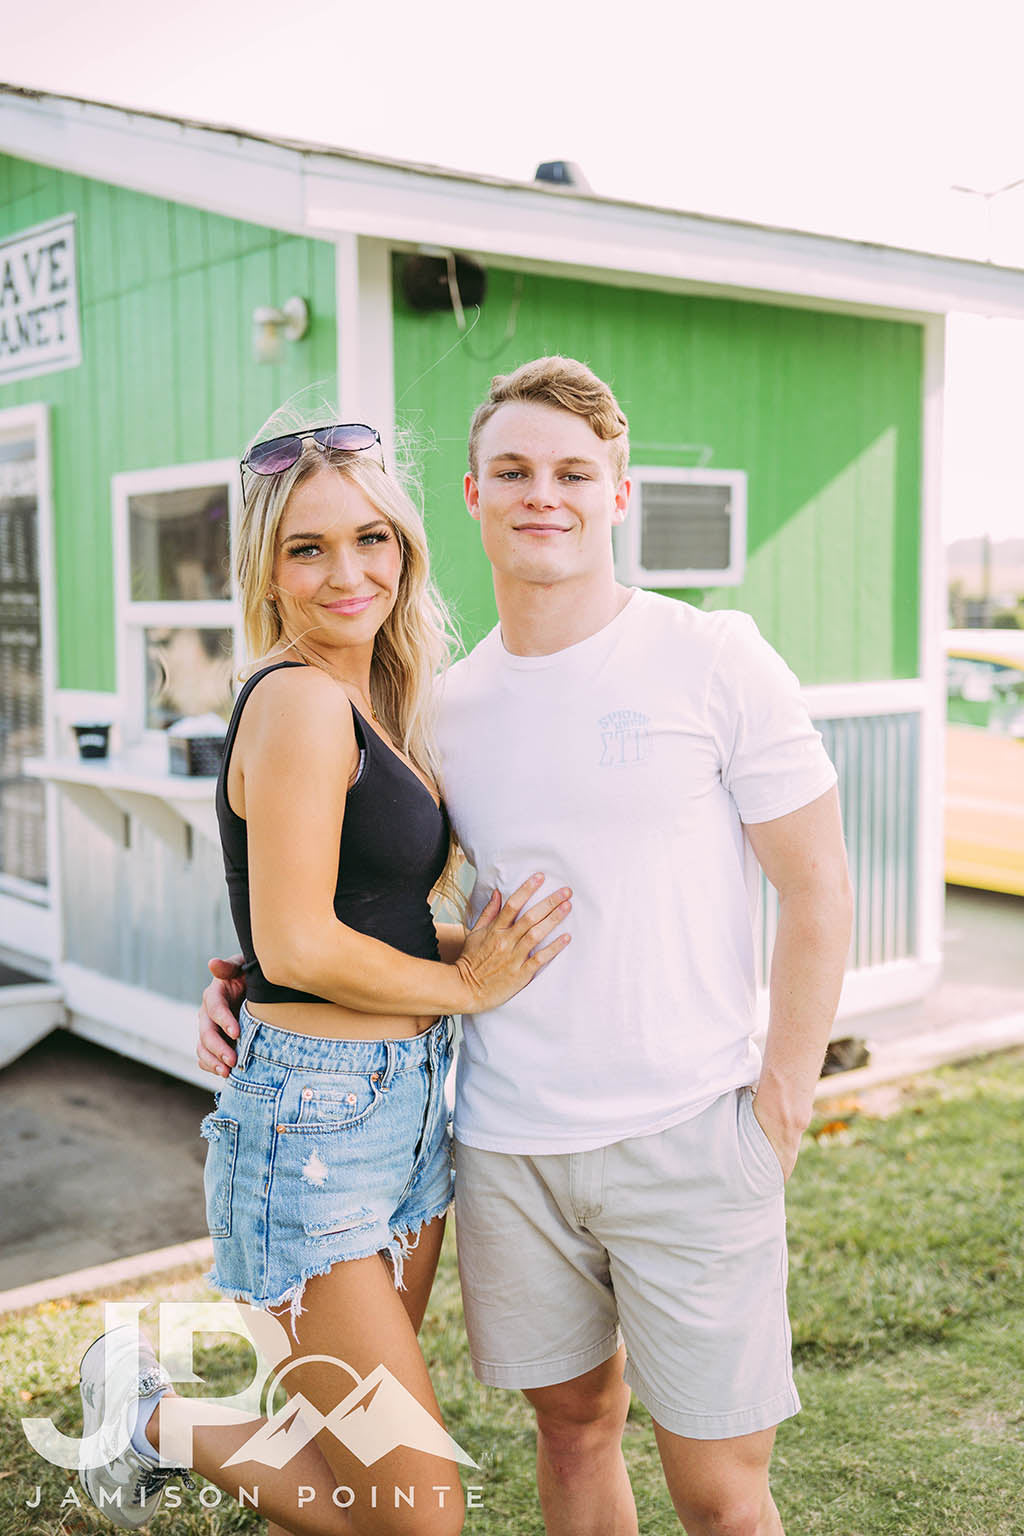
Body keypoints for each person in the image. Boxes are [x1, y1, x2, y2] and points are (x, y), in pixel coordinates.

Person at [198, 359, 855, 1536]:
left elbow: (817, 890)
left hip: (689, 1136)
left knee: (720, 1492)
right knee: (566, 1431)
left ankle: (156, 1417)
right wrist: (263, 974)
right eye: (511, 470)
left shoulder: (712, 658)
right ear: (467, 495)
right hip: (497, 1143)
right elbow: (365, 904)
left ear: (617, 493)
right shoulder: (445, 704)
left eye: (570, 471)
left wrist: (779, 1110)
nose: (538, 493)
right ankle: (160, 1416)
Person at [77, 413, 573, 1536]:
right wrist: (469, 987)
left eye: (370, 539)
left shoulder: (376, 699)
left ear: (404, 544)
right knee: (415, 1516)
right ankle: (152, 1416)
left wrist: (477, 955)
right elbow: (299, 946)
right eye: (307, 548)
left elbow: (346, 917)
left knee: (357, 1481)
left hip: (398, 1113)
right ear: (267, 564)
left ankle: (148, 1419)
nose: (347, 572)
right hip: (313, 1130)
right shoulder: (299, 698)